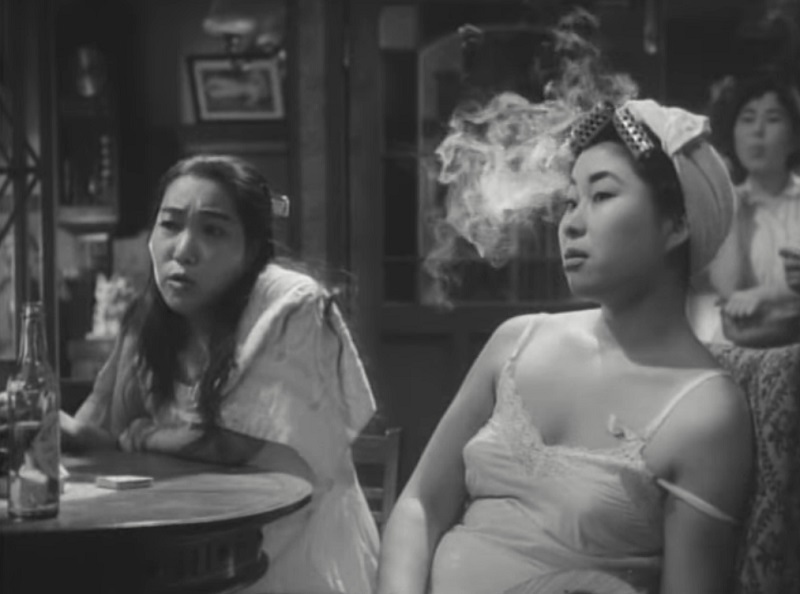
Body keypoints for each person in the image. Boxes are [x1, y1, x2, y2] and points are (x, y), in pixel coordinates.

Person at [377, 98, 754, 594]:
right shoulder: (517, 341)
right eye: (571, 201)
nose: (571, 224)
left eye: (602, 195)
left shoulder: (707, 413)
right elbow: (419, 506)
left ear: (677, 224)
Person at [59, 154, 379, 594]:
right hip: (184, 554)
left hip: (293, 556)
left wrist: (149, 435)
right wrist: (46, 424)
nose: (183, 249)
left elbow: (249, 448)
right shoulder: (149, 319)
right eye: (170, 225)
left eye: (212, 230)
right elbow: (104, 437)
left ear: (252, 249)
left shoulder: (291, 305)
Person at [698, 72, 800, 346]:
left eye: (773, 119)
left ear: (794, 137)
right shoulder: (728, 206)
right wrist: (729, 199)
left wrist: (764, 295)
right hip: (742, 343)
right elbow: (728, 289)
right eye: (747, 119)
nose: (758, 130)